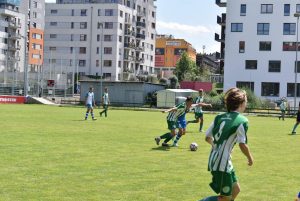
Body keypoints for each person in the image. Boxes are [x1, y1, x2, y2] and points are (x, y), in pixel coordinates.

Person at [198, 88, 254, 201]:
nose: (246, 104)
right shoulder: (242, 120)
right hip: (221, 164)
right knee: (225, 198)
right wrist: (250, 157)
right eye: (246, 101)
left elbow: (208, 137)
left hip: (218, 161)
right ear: (241, 103)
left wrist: (216, 147)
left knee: (236, 190)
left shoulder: (219, 117)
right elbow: (242, 144)